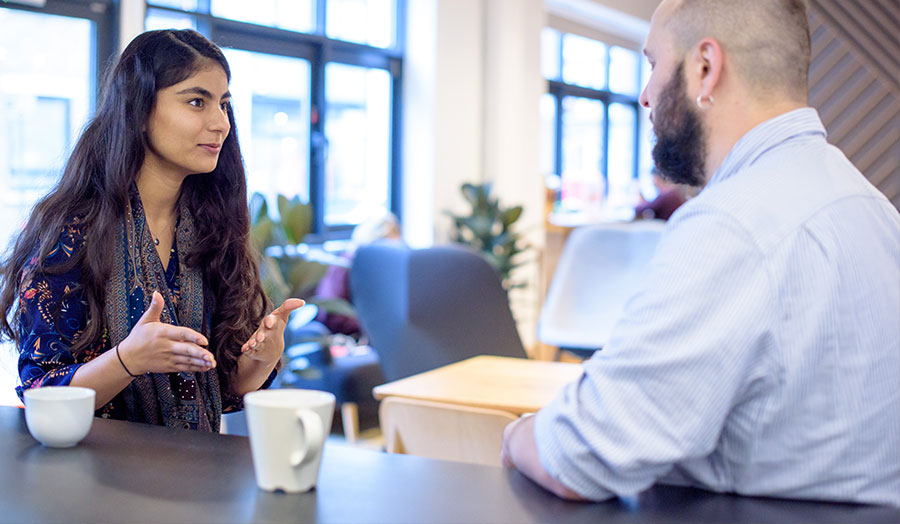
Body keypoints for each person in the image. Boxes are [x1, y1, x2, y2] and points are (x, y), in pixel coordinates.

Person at [502, 0, 899, 507]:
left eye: (652, 65)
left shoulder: (733, 224)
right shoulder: (871, 206)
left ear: (705, 69)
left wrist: (516, 435)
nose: (645, 96)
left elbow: (582, 455)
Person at [0, 30, 303, 431]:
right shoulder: (71, 234)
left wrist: (260, 359)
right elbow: (42, 392)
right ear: (140, 111)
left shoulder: (214, 226)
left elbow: (228, 389)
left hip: (196, 474)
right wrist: (128, 360)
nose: (221, 123)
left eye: (224, 104)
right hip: (94, 480)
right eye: (197, 102)